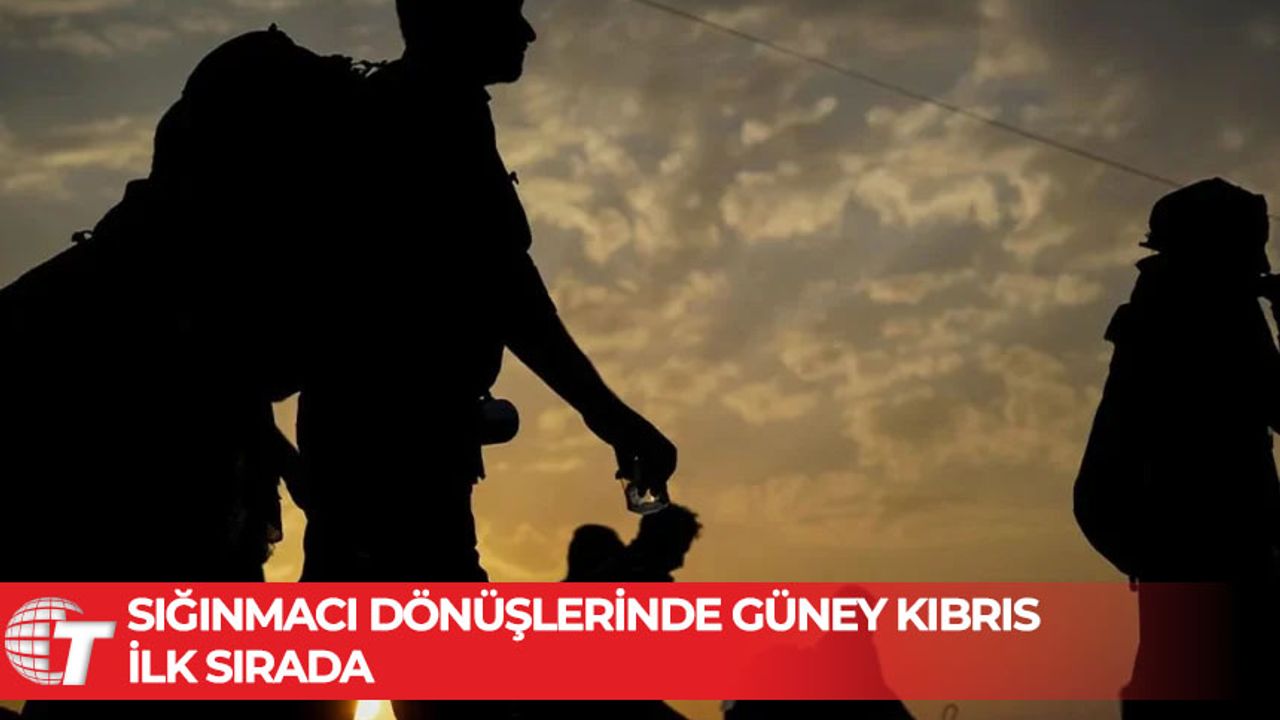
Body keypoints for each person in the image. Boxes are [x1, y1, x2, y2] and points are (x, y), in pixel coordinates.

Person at [1074, 178, 1280, 716]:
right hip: (1215, 556)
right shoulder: (1213, 309)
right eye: (1249, 249)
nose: (1261, 266)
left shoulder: (1165, 302)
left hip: (1187, 558)